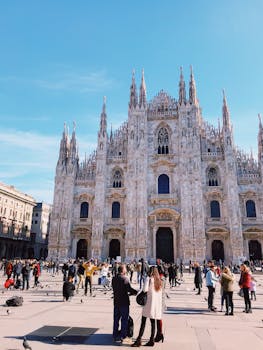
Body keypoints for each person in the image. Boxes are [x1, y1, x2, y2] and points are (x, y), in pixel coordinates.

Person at [132, 266, 164, 347]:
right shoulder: (159, 281)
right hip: (156, 306)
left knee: (143, 322)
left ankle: (139, 339)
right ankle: (151, 340)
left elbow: (145, 290)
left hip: (148, 304)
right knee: (153, 323)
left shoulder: (149, 279)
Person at [112, 264, 137, 345]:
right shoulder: (125, 279)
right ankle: (123, 335)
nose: (126, 270)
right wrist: (136, 292)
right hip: (124, 302)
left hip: (116, 302)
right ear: (123, 270)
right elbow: (129, 289)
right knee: (124, 319)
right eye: (125, 269)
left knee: (116, 319)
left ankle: (115, 334)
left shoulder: (114, 278)